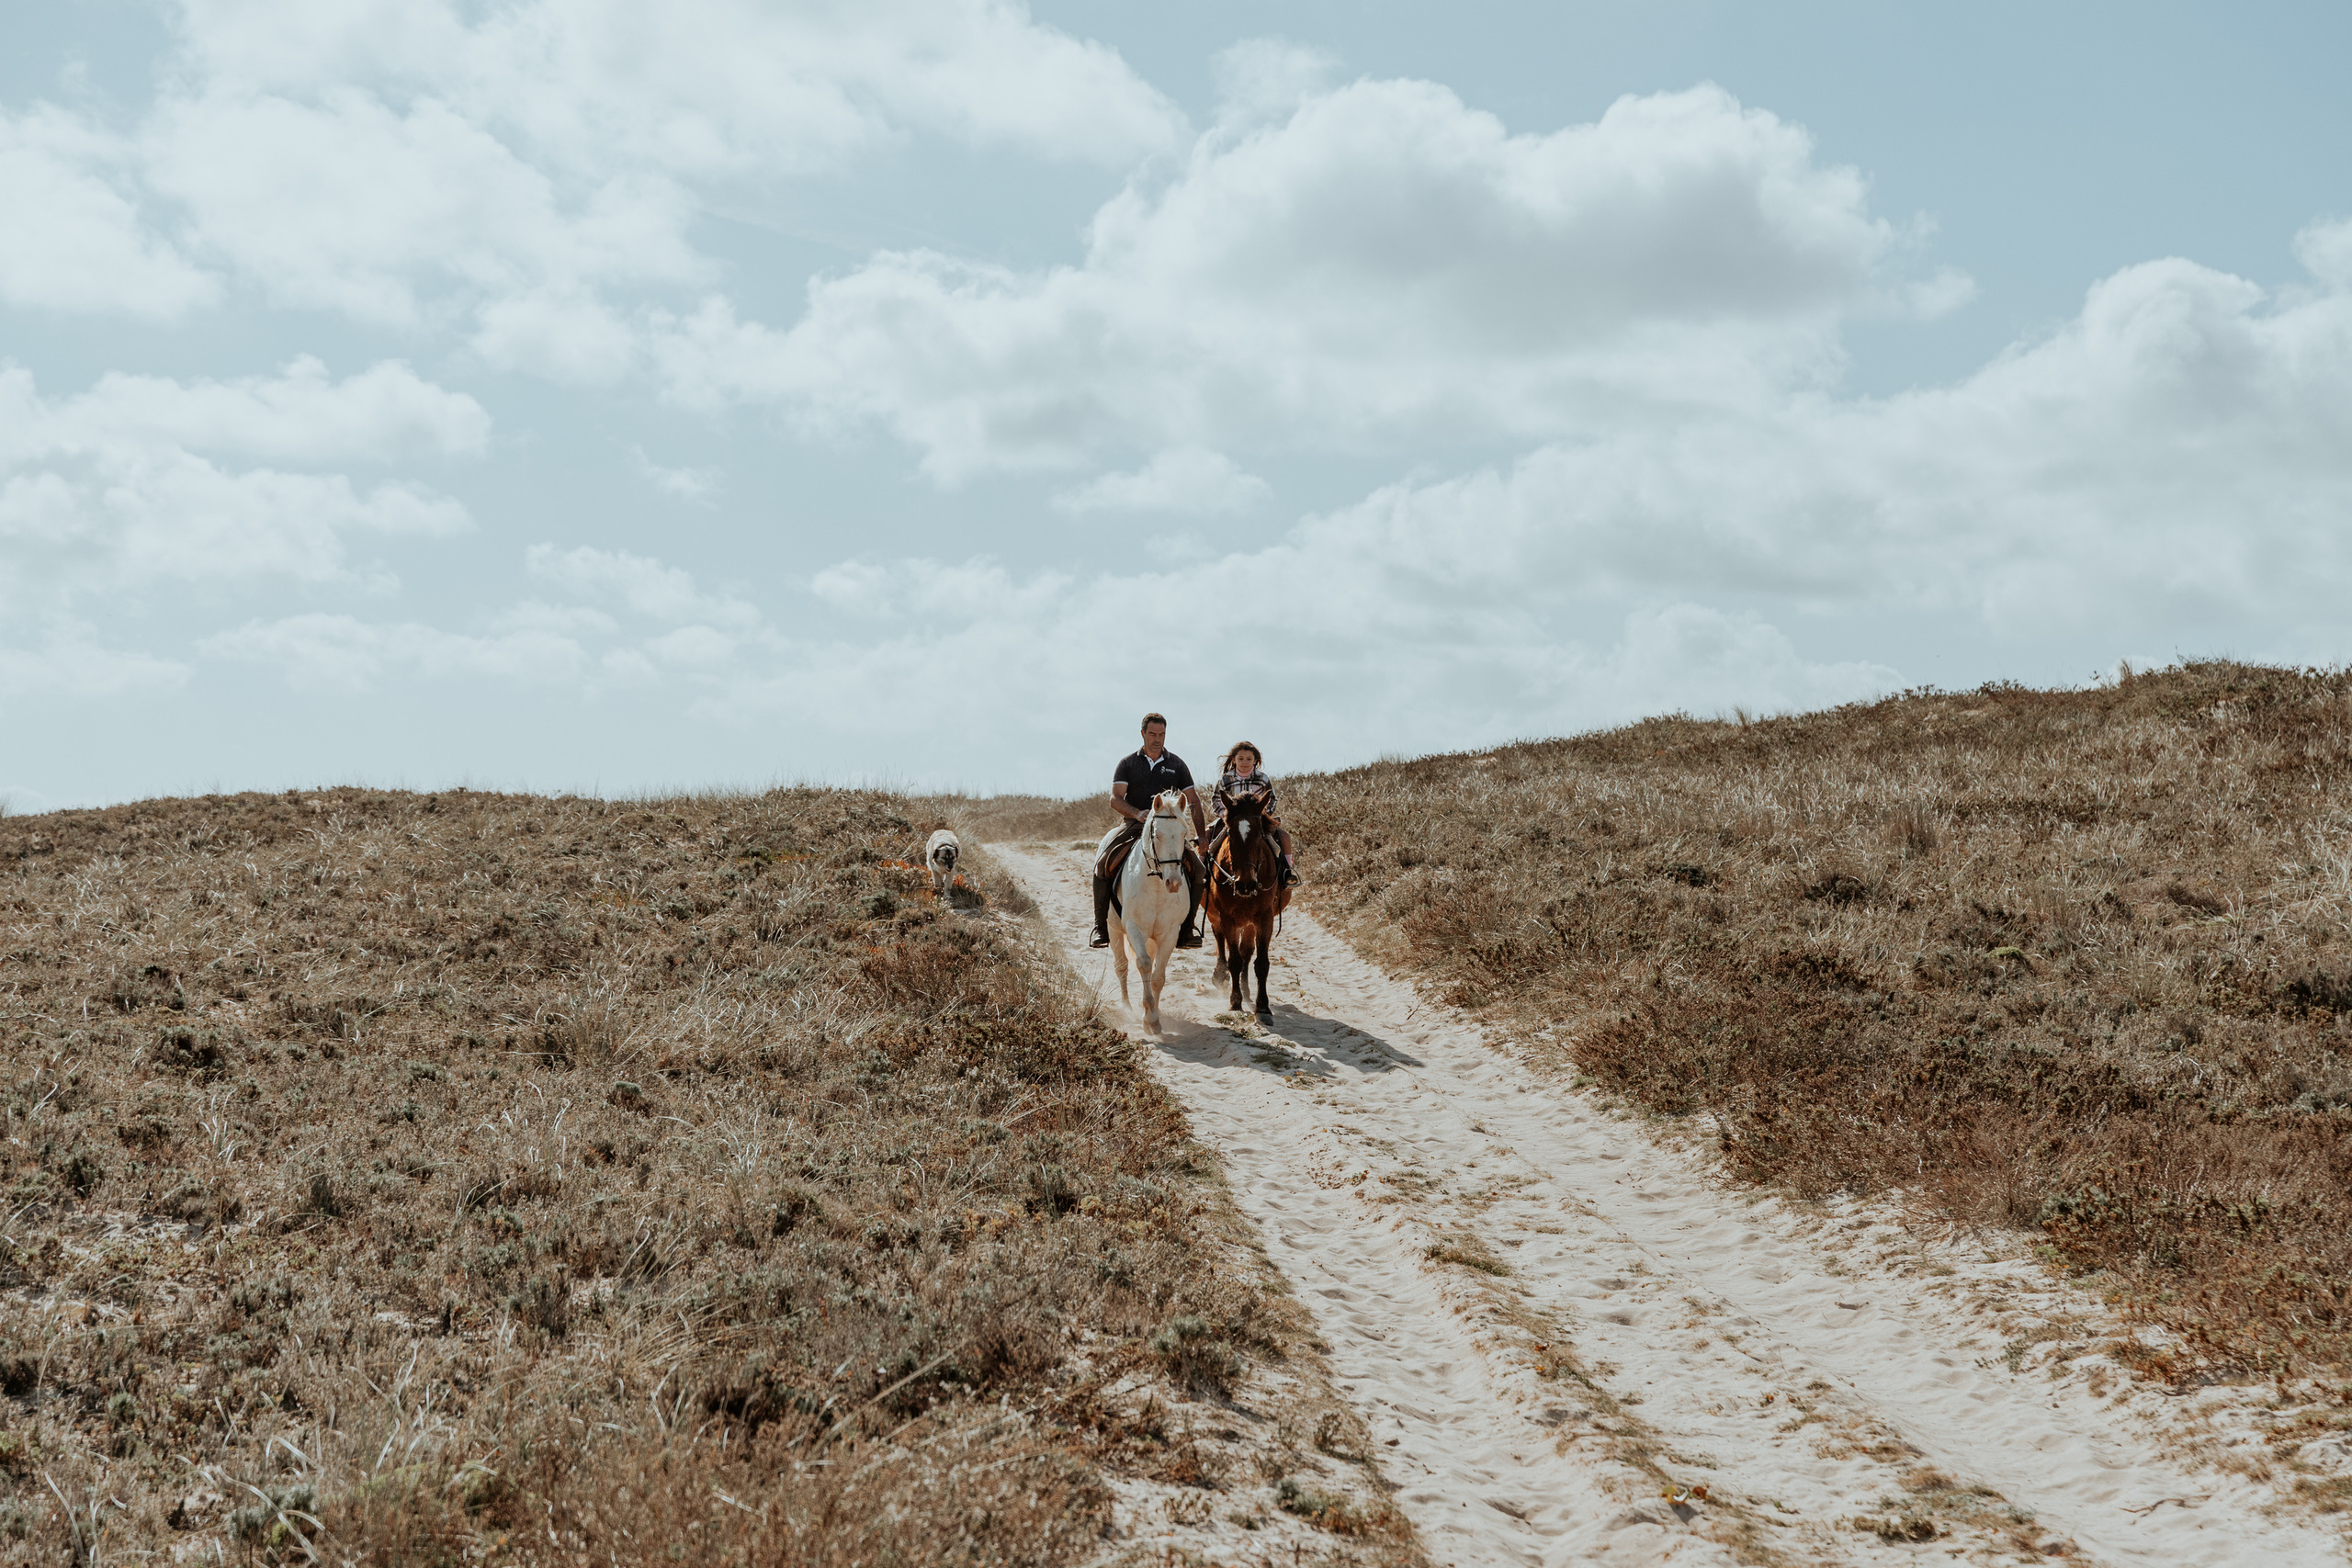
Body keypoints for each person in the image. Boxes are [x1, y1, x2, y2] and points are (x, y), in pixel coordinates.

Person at [1091, 712, 1207, 950]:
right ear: (1143, 733)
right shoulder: (1127, 764)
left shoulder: (1177, 764)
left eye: (1162, 734)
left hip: (1169, 829)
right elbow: (1115, 799)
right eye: (1153, 734)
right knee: (1103, 864)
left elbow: (1193, 800)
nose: (1157, 739)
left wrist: (1202, 834)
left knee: (1198, 869)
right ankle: (1100, 927)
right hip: (1134, 825)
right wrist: (1137, 813)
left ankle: (1187, 930)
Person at [1199, 740, 1296, 886]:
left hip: (1257, 820)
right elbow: (1216, 799)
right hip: (1231, 820)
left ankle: (1287, 871)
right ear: (1234, 760)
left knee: (1284, 837)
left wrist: (1261, 815)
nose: (1244, 762)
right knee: (1207, 836)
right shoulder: (1226, 779)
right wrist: (1227, 815)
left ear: (1255, 761)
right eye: (1241, 759)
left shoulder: (1262, 779)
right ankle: (1202, 871)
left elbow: (1272, 799)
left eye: (1249, 759)